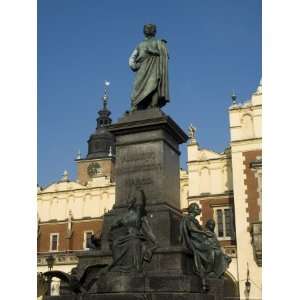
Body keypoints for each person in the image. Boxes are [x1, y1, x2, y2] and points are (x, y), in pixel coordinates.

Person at [108, 189, 157, 272]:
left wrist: (154, 241)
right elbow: (113, 226)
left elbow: (147, 229)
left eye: (130, 201)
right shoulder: (124, 216)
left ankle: (132, 267)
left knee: (134, 242)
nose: (128, 203)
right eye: (128, 201)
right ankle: (120, 265)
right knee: (116, 243)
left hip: (135, 236)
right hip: (126, 236)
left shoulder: (139, 214)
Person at [129, 24, 169, 111]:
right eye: (147, 29)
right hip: (143, 69)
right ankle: (138, 105)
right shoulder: (141, 44)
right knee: (139, 87)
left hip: (153, 68)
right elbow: (132, 59)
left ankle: (153, 105)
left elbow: (131, 59)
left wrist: (155, 51)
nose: (149, 30)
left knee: (153, 85)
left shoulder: (159, 42)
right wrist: (134, 66)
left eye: (150, 29)